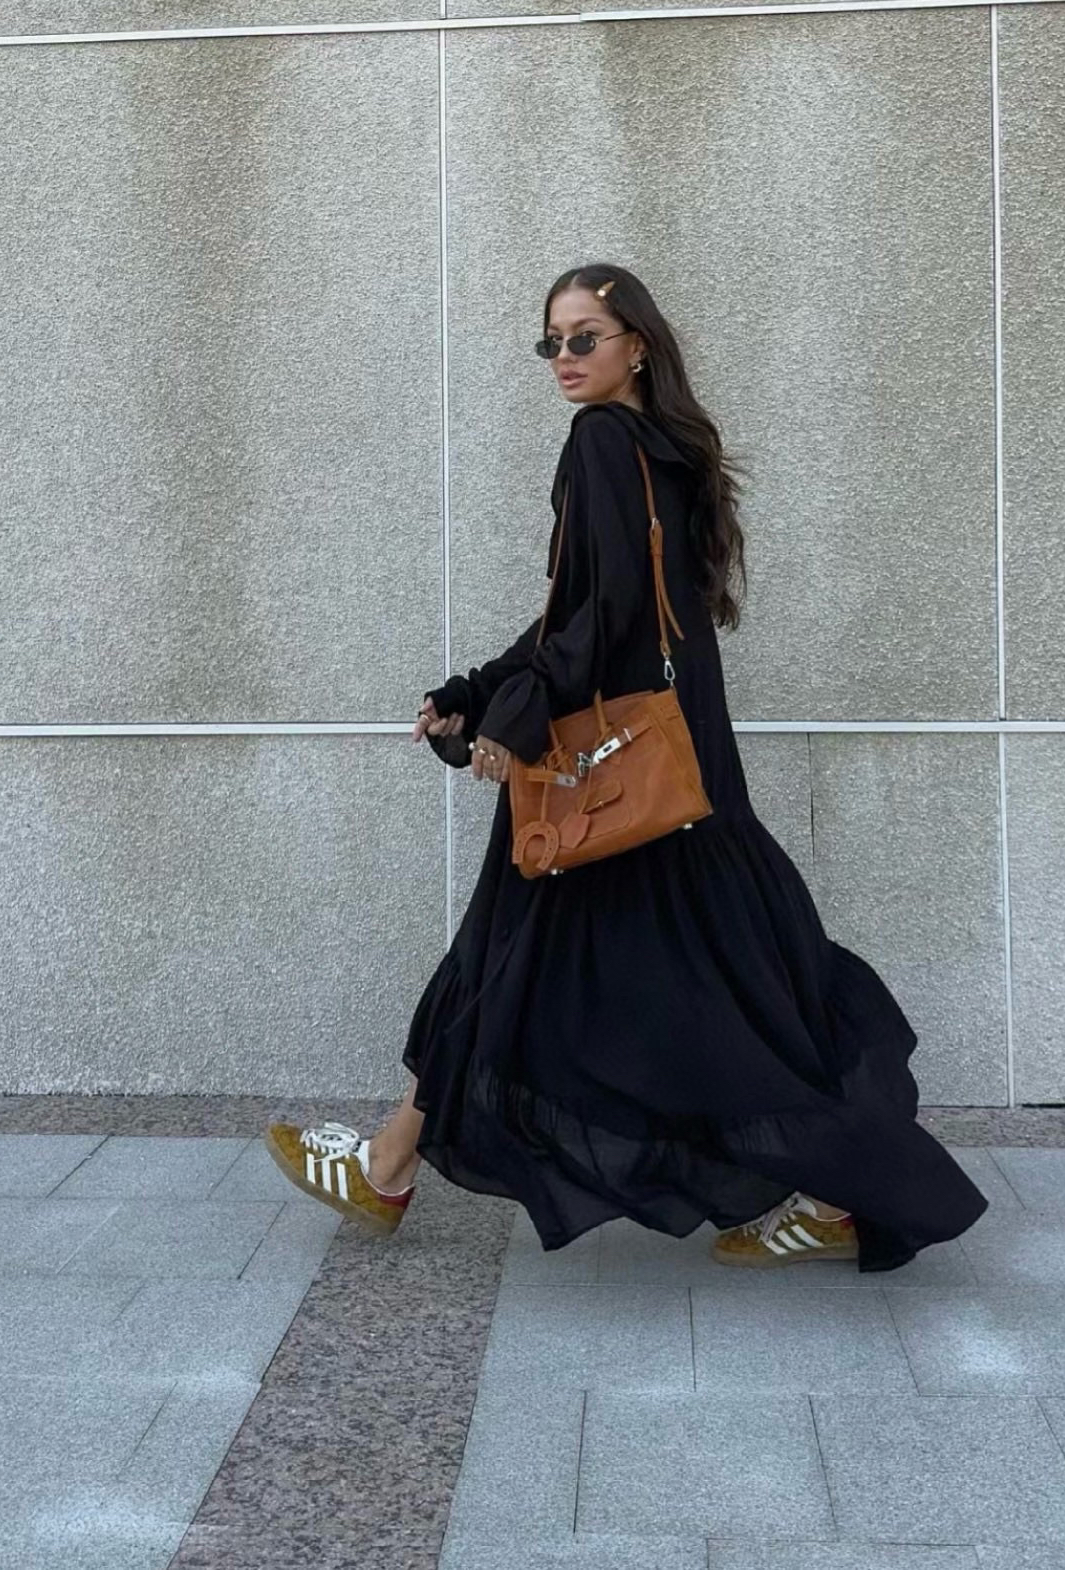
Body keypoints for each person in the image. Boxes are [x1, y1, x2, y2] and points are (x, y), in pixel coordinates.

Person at [264, 263, 989, 1272]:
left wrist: (512, 719)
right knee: (727, 970)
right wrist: (483, 687)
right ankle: (390, 1164)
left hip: (615, 773)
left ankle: (388, 1169)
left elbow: (599, 618)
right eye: (551, 342)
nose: (563, 358)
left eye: (584, 337)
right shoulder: (669, 448)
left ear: (636, 345)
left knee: (537, 956)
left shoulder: (602, 441)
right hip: (680, 762)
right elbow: (595, 610)